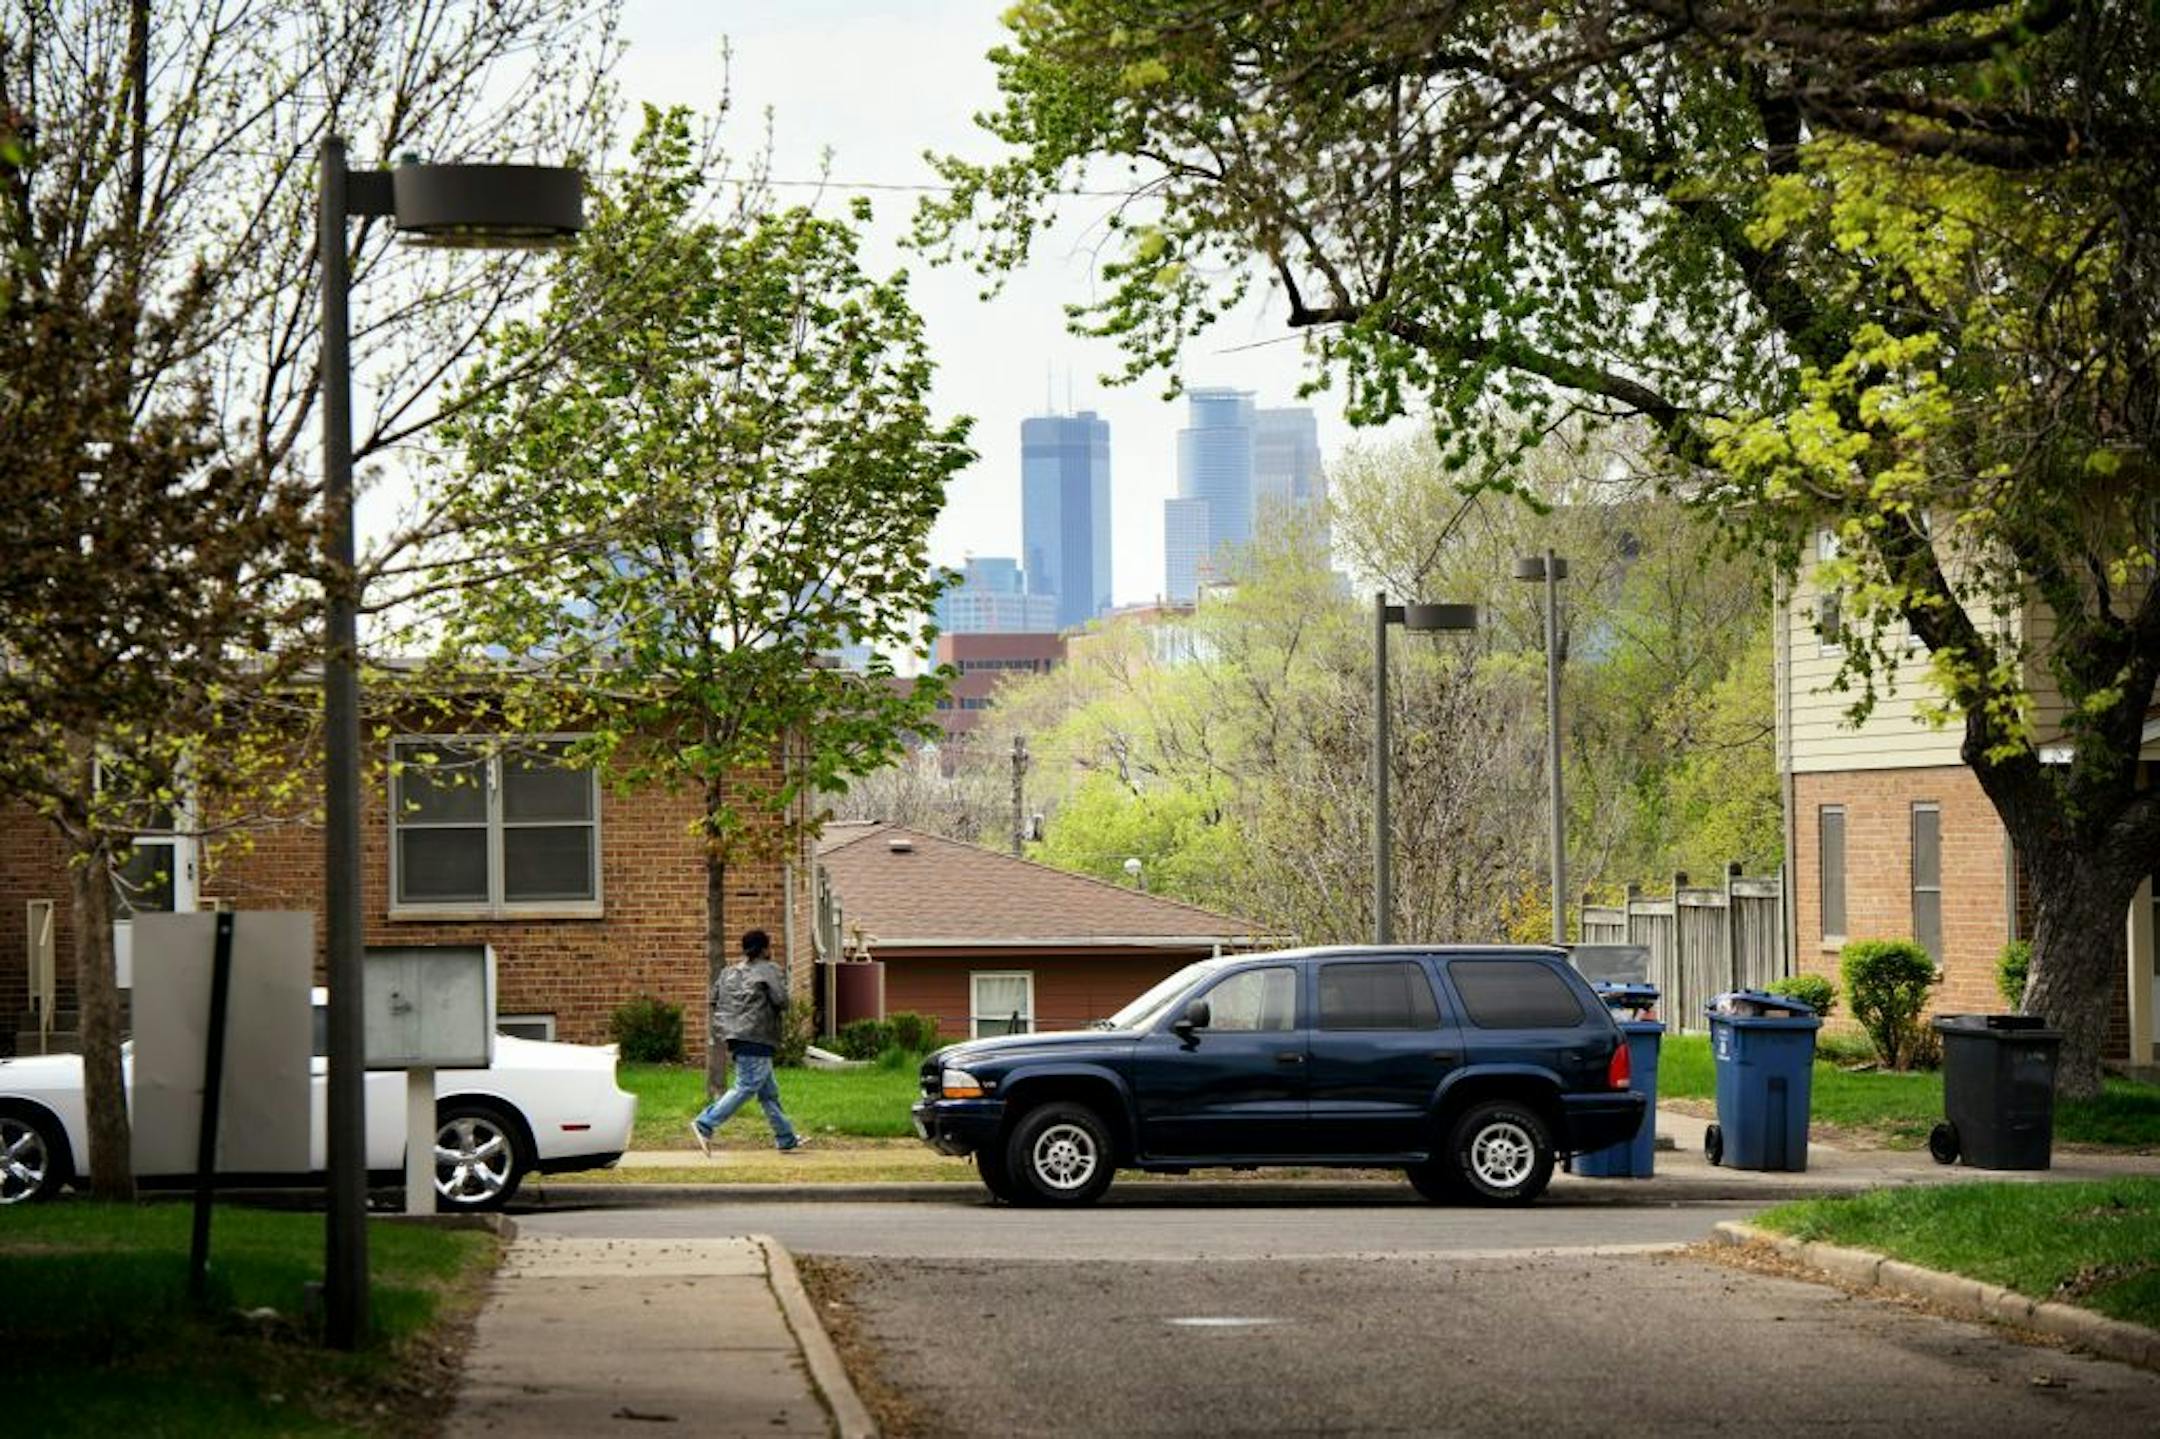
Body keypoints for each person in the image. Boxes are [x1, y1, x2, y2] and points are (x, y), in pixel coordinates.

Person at [690, 929, 808, 1155]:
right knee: (745, 1086)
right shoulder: (769, 969)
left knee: (768, 1093)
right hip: (758, 1036)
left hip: (735, 1036)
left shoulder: (728, 972)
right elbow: (782, 1001)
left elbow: (714, 999)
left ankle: (786, 1137)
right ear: (765, 948)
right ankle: (705, 1124)